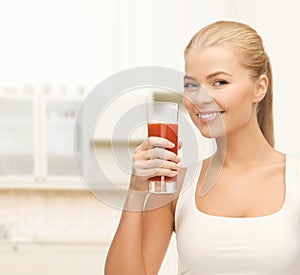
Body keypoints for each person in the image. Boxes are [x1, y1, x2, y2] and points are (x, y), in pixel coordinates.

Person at [104, 21, 300, 274]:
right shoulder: (176, 186)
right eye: (191, 85)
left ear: (259, 88)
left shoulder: (296, 180)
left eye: (219, 82)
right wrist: (136, 188)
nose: (200, 98)